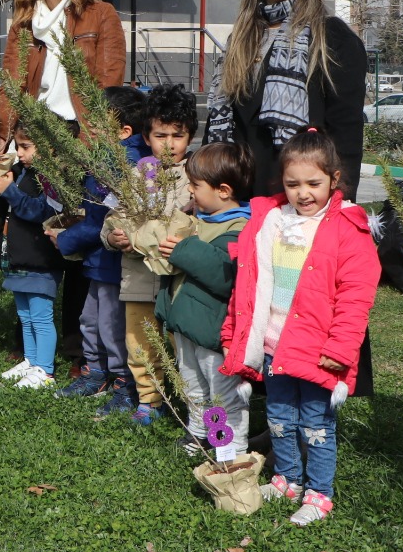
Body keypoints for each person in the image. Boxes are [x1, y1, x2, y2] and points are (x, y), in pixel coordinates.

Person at [221, 129, 379, 527]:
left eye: (313, 183)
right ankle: (287, 479)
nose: (303, 193)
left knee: (316, 423)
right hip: (273, 343)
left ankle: (319, 493)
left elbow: (355, 298)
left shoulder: (347, 229)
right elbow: (247, 287)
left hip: (318, 349)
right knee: (278, 415)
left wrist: (340, 350)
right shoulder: (271, 221)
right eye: (293, 184)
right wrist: (234, 336)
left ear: (334, 179)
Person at [3, 0, 126, 354]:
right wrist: (3, 136)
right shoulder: (23, 26)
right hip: (35, 133)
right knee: (33, 235)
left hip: (79, 135)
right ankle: (30, 342)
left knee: (76, 234)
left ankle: (76, 345)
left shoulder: (100, 14)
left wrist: (93, 144)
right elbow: (10, 85)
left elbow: (108, 81)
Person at [204, 0, 367, 200]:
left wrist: (339, 201)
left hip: (299, 200)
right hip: (238, 199)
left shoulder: (332, 36)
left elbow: (346, 132)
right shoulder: (241, 39)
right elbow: (219, 119)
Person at [52, 86, 149, 417]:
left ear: (123, 131)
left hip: (113, 263)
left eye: (98, 120)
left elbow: (103, 219)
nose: (90, 126)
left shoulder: (125, 165)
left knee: (111, 324)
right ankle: (95, 373)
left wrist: (66, 240)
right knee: (90, 318)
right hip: (98, 261)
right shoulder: (106, 158)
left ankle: (123, 383)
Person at [104, 83, 196, 425]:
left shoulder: (197, 176)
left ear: (190, 137)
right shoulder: (135, 175)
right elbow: (114, 216)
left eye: (178, 135)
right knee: (140, 342)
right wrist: (114, 236)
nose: (169, 144)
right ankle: (149, 400)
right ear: (146, 136)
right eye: (160, 135)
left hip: (180, 281)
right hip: (139, 278)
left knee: (183, 344)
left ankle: (194, 404)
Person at [159, 142, 253, 457]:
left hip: (215, 331)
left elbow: (223, 274)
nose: (190, 189)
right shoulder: (201, 219)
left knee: (221, 392)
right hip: (188, 324)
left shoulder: (241, 228)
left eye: (196, 185)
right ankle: (200, 434)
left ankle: (228, 449)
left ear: (223, 190)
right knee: (193, 384)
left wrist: (183, 249)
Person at [0, 123, 67, 389]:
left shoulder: (53, 177)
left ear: (48, 147)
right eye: (17, 146)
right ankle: (32, 361)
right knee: (25, 315)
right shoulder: (19, 172)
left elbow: (40, 211)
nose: (19, 153)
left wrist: (9, 190)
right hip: (18, 256)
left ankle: (46, 371)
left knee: (40, 316)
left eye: (26, 147)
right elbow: (2, 208)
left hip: (41, 258)